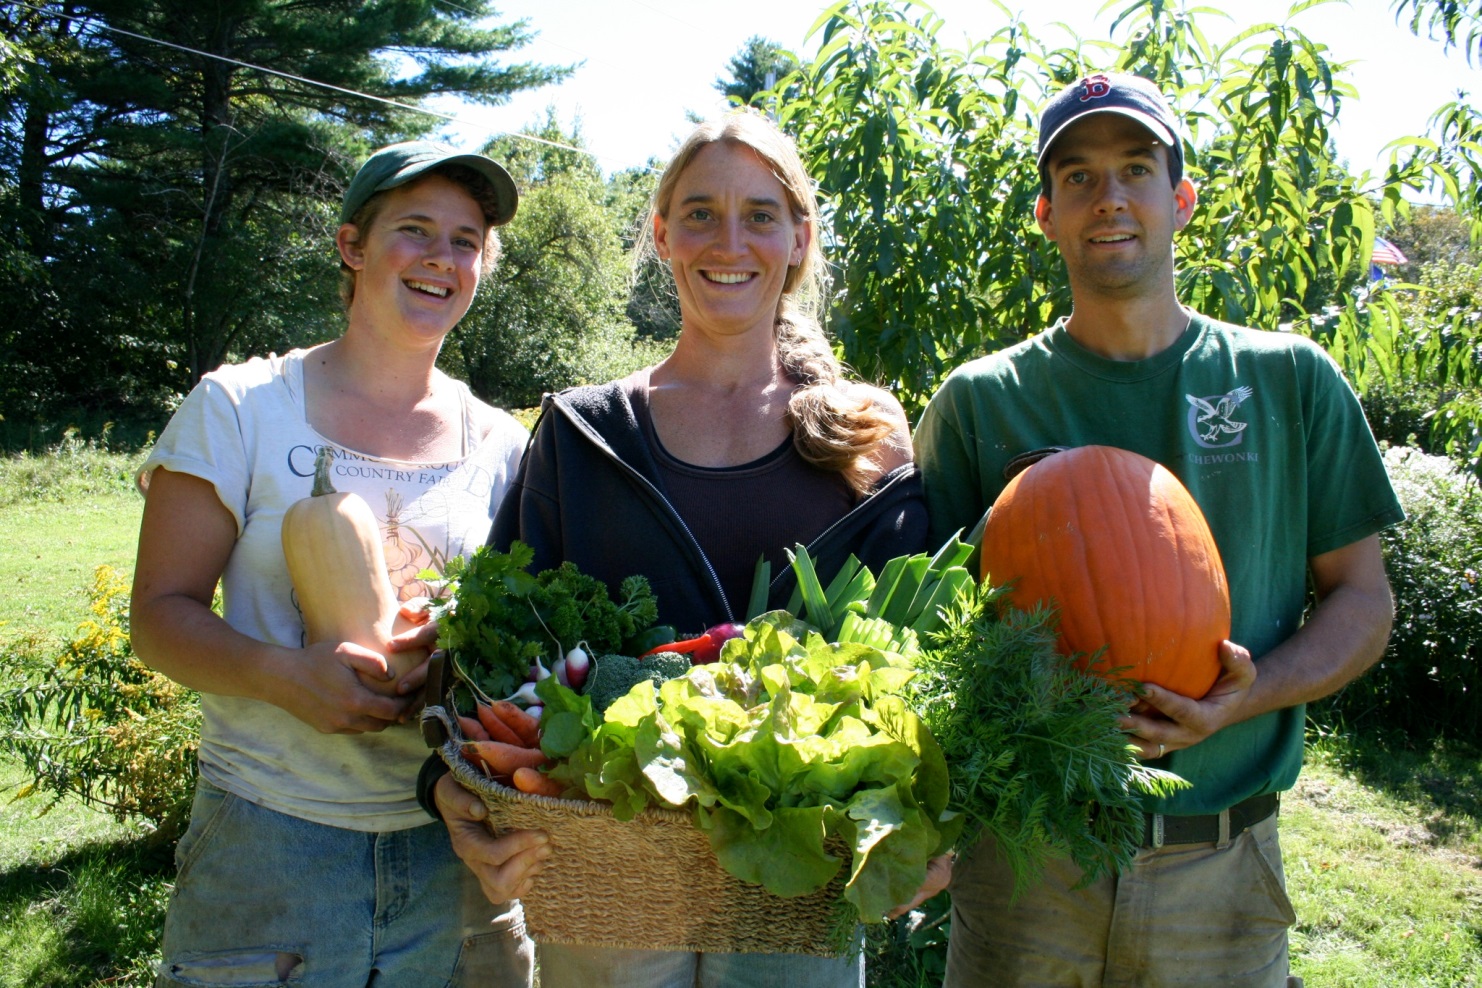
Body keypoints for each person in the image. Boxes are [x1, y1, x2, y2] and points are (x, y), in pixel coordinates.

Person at [913, 72, 1404, 988]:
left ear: (1180, 199)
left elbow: (1363, 597)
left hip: (1218, 868)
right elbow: (926, 632)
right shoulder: (980, 402)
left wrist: (1240, 700)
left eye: (1136, 169)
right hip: (1029, 865)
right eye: (1079, 178)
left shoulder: (1289, 380)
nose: (1109, 198)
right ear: (1045, 215)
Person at [421, 109, 932, 987]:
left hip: (794, 888)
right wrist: (448, 787)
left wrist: (924, 825)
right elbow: (486, 649)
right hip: (609, 882)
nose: (727, 240)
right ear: (661, 234)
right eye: (698, 212)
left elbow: (919, 670)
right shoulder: (585, 434)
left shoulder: (865, 435)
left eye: (759, 214)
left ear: (799, 237)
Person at [131, 140, 539, 987]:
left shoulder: (504, 445)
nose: (441, 258)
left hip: (454, 847)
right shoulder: (241, 408)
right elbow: (159, 616)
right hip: (269, 840)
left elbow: (514, 649)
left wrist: (451, 684)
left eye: (466, 241)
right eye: (415, 230)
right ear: (352, 246)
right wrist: (283, 675)